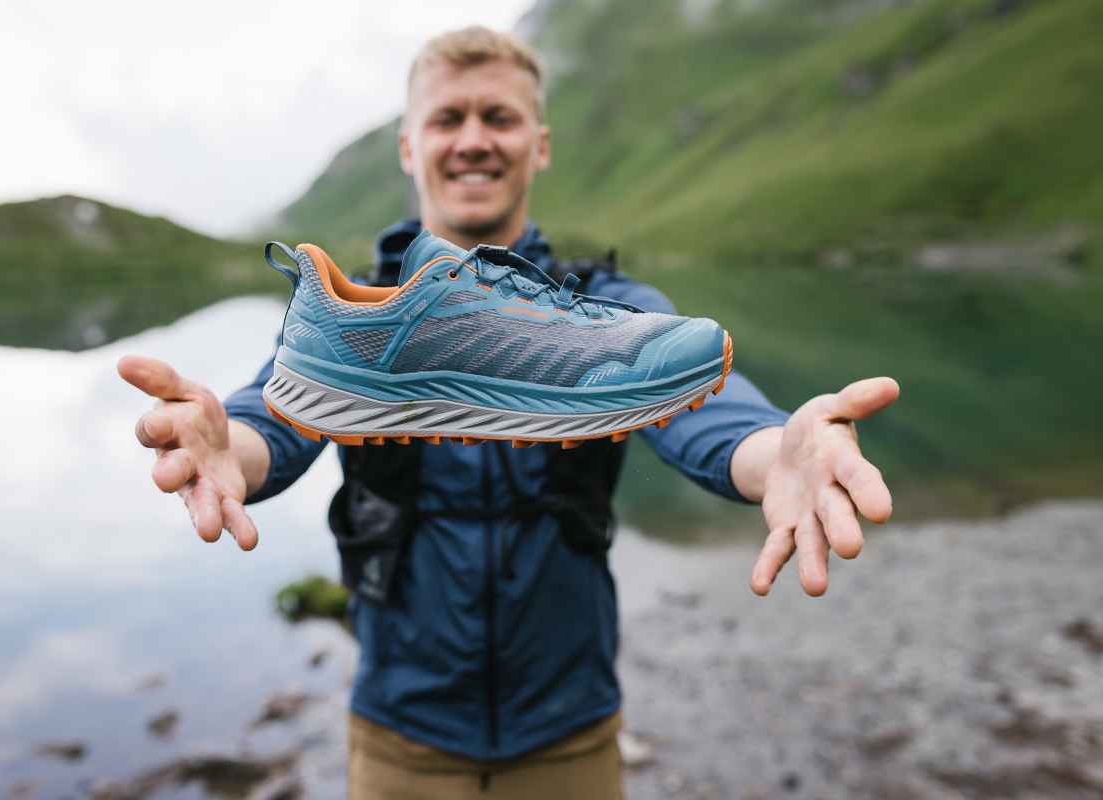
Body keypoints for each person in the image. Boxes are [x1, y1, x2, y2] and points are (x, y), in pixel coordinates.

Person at [118, 26, 899, 800]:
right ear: (408, 147)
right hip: (400, 732)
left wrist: (778, 452)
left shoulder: (614, 310)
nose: (473, 140)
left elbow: (708, 418)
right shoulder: (352, 327)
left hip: (569, 729)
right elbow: (274, 418)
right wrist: (231, 445)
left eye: (499, 118)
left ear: (540, 144)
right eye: (448, 119)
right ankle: (442, 309)